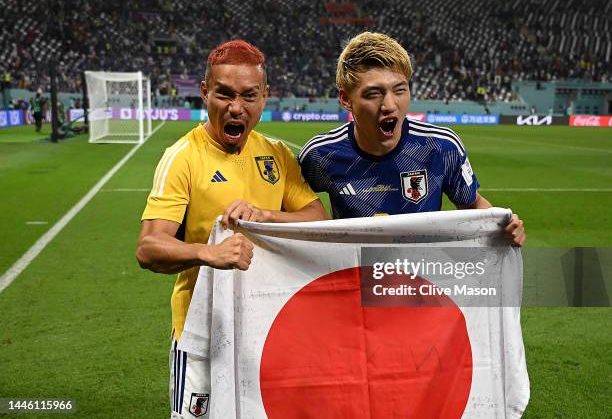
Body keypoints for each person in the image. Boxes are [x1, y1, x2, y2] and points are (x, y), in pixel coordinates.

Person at [136, 39, 327, 419]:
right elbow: (148, 248)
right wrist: (207, 253)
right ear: (205, 92)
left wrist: (266, 215)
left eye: (249, 96)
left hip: (269, 327)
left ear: (265, 96)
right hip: (202, 332)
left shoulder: (276, 154)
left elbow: (318, 220)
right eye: (224, 94)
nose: (236, 107)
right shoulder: (183, 158)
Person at [298, 32, 525, 246]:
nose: (389, 105)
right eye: (373, 94)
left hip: (421, 277)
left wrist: (504, 225)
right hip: (355, 277)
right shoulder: (319, 155)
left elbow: (472, 204)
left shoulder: (441, 146)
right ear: (346, 99)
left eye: (399, 90)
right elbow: (291, 209)